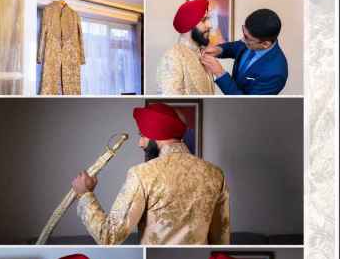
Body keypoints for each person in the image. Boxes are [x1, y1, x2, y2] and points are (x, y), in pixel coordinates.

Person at [73, 102, 230, 245]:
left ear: (156, 134)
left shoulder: (142, 174)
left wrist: (85, 195)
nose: (140, 143)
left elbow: (109, 237)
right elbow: (221, 240)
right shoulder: (216, 174)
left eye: (142, 135)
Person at [200, 8, 288, 95]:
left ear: (265, 44)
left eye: (247, 38)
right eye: (243, 31)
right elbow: (236, 47)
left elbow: (247, 104)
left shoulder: (275, 74)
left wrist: (220, 73)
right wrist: (219, 50)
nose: (242, 39)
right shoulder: (253, 42)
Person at [156, 0, 216, 95]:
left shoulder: (202, 55)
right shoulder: (173, 56)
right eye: (204, 20)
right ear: (190, 24)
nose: (210, 25)